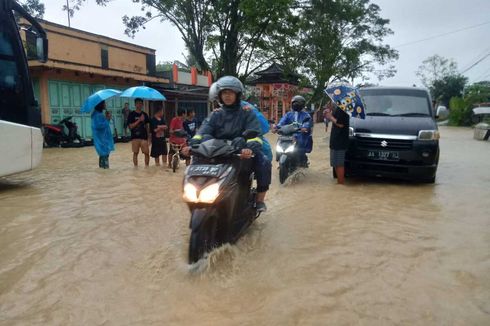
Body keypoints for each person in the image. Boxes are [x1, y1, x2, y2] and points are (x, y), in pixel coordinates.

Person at [185, 76, 271, 212]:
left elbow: (255, 135)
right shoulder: (216, 114)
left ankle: (260, 201)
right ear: (219, 95)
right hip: (217, 152)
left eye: (231, 92)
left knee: (264, 162)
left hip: (240, 152)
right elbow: (203, 131)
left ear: (238, 95)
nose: (227, 96)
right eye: (224, 92)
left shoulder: (247, 112)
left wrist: (249, 148)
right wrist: (192, 144)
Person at [273, 95, 312, 167]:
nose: (296, 105)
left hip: (300, 134)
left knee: (300, 145)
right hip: (288, 134)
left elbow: (307, 123)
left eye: (299, 104)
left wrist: (304, 127)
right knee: (279, 140)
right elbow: (282, 122)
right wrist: (276, 127)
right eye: (295, 103)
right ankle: (279, 157)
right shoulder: (288, 114)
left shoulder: (306, 115)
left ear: (302, 105)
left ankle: (301, 160)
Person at [325, 104, 350, 184]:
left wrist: (330, 117)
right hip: (335, 139)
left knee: (339, 163)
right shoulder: (338, 107)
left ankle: (341, 184)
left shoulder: (343, 108)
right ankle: (339, 184)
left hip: (340, 139)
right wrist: (329, 113)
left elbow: (341, 124)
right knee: (335, 163)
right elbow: (336, 119)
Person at [127, 98, 150, 167]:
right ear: (135, 104)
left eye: (140, 103)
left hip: (144, 137)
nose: (139, 105)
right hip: (135, 137)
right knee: (135, 153)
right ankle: (135, 168)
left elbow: (147, 126)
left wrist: (149, 137)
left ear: (142, 104)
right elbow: (130, 126)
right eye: (137, 103)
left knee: (146, 153)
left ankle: (147, 167)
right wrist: (139, 120)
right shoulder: (131, 114)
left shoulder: (145, 114)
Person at [91, 101, 114, 169]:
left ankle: (102, 176)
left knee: (102, 157)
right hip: (103, 140)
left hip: (101, 139)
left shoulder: (97, 114)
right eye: (104, 103)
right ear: (100, 105)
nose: (105, 105)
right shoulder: (98, 115)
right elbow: (100, 126)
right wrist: (107, 118)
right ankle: (106, 176)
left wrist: (106, 118)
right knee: (105, 158)